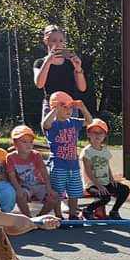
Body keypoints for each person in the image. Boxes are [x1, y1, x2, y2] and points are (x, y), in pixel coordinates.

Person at [41, 90, 92, 220]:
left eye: (70, 107)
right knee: (58, 192)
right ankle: (58, 215)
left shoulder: (73, 122)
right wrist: (54, 110)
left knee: (74, 192)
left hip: (73, 165)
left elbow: (89, 121)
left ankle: (73, 215)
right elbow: (45, 124)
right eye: (64, 107)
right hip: (58, 165)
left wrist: (82, 108)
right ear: (55, 108)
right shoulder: (53, 124)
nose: (69, 110)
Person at [80, 117, 130, 219]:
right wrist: (98, 186)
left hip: (105, 182)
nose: (97, 135)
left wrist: (112, 179)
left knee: (124, 189)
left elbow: (107, 166)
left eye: (100, 133)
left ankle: (114, 211)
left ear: (104, 135)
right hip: (92, 185)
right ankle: (87, 210)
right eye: (94, 132)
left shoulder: (105, 150)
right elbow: (88, 172)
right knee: (105, 197)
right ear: (88, 134)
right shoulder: (87, 151)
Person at [33, 24, 86, 114]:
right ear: (46, 41)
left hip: (70, 106)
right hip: (51, 106)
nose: (58, 44)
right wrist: (48, 62)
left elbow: (82, 88)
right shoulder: (40, 62)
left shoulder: (70, 62)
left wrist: (78, 68)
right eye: (54, 40)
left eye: (61, 41)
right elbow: (39, 84)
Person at [7, 124, 57, 217]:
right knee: (19, 195)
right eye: (24, 142)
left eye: (30, 142)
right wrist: (18, 189)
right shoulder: (10, 157)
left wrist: (49, 188)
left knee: (54, 197)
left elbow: (44, 172)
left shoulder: (36, 155)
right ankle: (28, 218)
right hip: (25, 186)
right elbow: (12, 176)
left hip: (39, 185)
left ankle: (40, 216)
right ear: (15, 143)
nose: (28, 144)